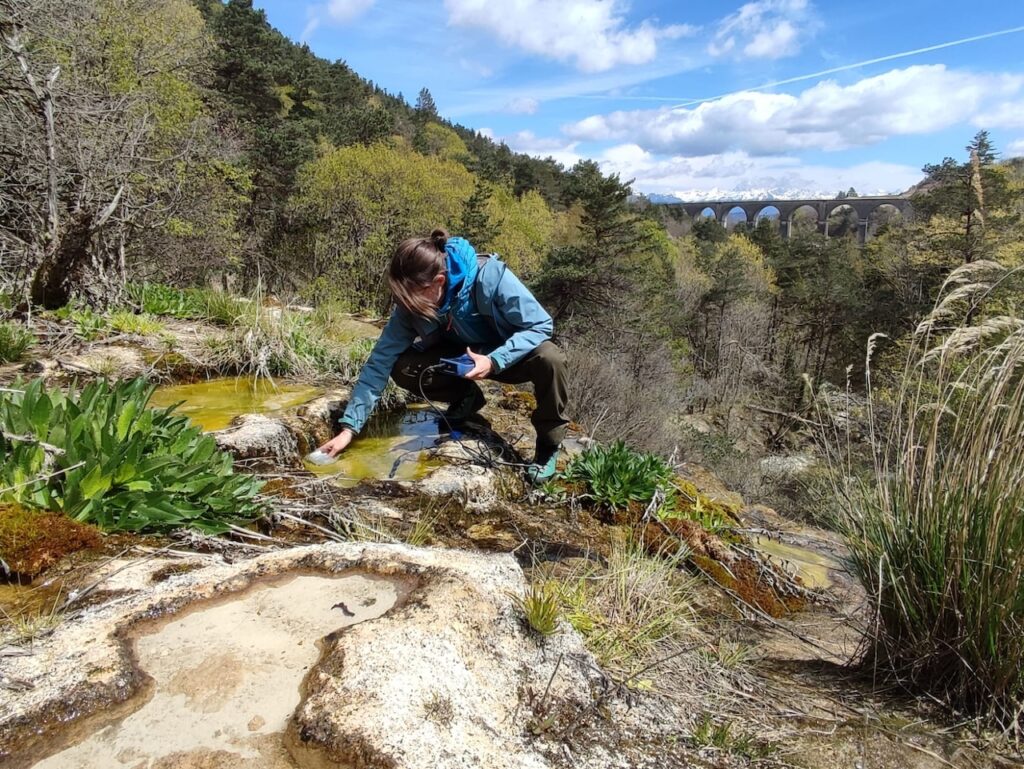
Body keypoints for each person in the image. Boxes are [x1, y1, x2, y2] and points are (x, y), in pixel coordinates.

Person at [317, 228, 569, 482]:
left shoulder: (490, 277)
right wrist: (349, 428)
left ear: (438, 281)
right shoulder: (411, 303)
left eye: (411, 296)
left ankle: (548, 446)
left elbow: (540, 325)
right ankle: (466, 399)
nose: (406, 304)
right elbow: (380, 360)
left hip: (507, 356)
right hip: (459, 360)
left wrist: (494, 360)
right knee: (403, 366)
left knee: (550, 358)